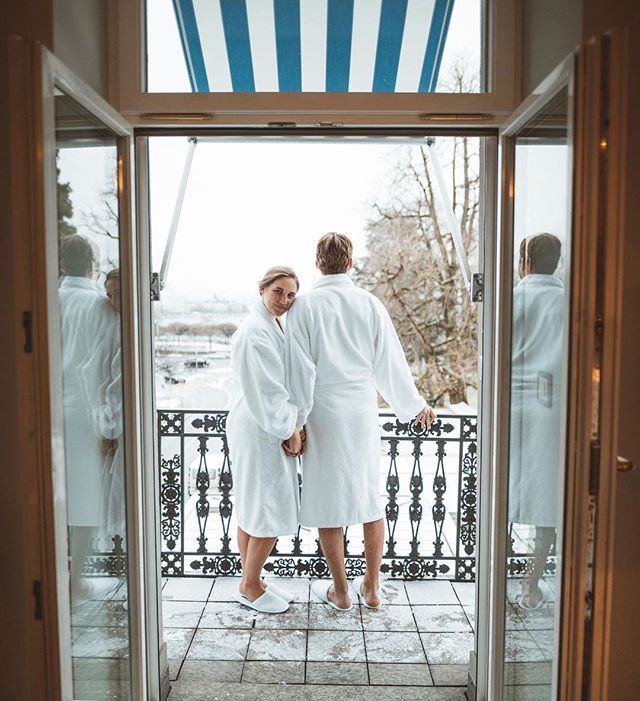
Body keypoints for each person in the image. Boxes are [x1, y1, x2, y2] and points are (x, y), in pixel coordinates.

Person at [284, 233, 436, 611]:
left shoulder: (303, 307)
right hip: (362, 411)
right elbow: (390, 363)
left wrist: (296, 423)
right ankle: (372, 586)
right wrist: (414, 404)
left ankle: (342, 591)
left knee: (328, 499)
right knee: (369, 498)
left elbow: (300, 374)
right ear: (350, 263)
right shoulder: (369, 304)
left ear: (318, 263)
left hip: (323, 412)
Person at [226, 266, 304, 614]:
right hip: (262, 424)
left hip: (258, 421)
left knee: (254, 505)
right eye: (278, 292)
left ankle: (252, 579)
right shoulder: (255, 333)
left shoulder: (268, 325)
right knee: (269, 507)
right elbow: (270, 391)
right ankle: (249, 584)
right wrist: (291, 428)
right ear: (262, 289)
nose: (284, 300)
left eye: (290, 295)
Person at [508, 233, 564, 610]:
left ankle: (493, 585)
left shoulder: (510, 298)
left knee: (503, 494)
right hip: (550, 408)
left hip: (509, 405)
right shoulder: (567, 301)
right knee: (546, 501)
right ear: (556, 262)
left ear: (524, 262)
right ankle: (529, 586)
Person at [58, 235, 113, 601]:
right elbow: (101, 368)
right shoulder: (97, 304)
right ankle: (74, 581)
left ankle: (52, 573)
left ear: (61, 263)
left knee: (54, 496)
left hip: (48, 408)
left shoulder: (47, 298)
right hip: (83, 412)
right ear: (91, 263)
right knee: (86, 499)